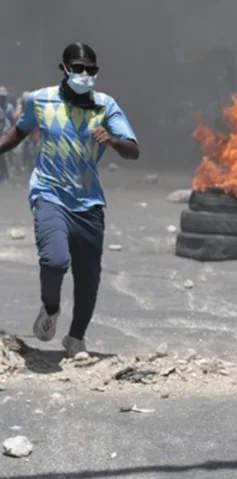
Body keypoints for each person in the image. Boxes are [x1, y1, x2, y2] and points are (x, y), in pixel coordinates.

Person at [0, 43, 139, 357]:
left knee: (88, 277)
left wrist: (113, 140)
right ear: (63, 69)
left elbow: (133, 149)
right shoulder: (40, 100)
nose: (85, 74)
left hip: (88, 202)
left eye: (91, 69)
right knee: (55, 260)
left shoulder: (105, 106)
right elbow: (17, 133)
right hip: (49, 194)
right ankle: (50, 309)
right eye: (78, 68)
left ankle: (76, 338)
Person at [0, 86, 16, 181]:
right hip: (1, 133)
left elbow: (12, 119)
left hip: (8, 132)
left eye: (3, 96)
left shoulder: (9, 107)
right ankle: (4, 173)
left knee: (8, 154)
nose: (2, 98)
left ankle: (6, 173)